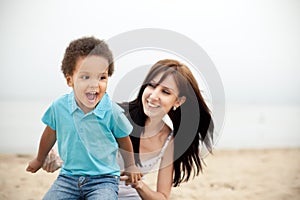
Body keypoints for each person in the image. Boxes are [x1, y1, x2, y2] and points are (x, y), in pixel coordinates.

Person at [44, 59, 214, 200]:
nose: (154, 95)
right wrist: (57, 156)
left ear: (178, 101)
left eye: (165, 92)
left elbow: (162, 196)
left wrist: (138, 184)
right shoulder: (118, 115)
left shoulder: (169, 140)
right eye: (152, 86)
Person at [26, 36, 142, 200]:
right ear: (70, 80)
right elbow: (50, 133)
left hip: (104, 180)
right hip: (68, 178)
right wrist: (39, 159)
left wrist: (130, 165)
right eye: (85, 77)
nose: (94, 84)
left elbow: (124, 139)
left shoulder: (112, 112)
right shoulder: (59, 107)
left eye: (102, 77)